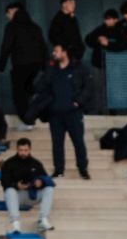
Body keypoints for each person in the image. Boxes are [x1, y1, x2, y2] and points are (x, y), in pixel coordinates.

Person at [29, 43, 92, 181]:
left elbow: (87, 87)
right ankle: (58, 170)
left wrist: (78, 102)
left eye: (56, 51)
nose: (54, 53)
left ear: (64, 52)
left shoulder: (78, 68)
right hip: (55, 113)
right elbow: (39, 87)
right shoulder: (52, 68)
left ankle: (83, 169)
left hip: (73, 112)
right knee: (57, 143)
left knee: (78, 141)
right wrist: (47, 70)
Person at [0, 2, 47, 126]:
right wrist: (44, 65)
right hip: (36, 65)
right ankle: (41, 111)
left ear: (14, 11)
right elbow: (43, 47)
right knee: (31, 88)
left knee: (19, 92)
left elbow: (6, 46)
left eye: (8, 13)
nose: (7, 16)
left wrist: (1, 65)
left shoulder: (12, 26)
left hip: (20, 64)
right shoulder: (35, 26)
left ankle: (27, 119)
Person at [0, 140, 52, 234]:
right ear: (17, 149)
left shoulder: (36, 163)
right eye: (21, 150)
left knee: (49, 189)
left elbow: (46, 179)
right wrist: (16, 185)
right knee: (10, 191)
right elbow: (4, 182)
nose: (23, 152)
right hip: (17, 196)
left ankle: (43, 219)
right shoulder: (9, 163)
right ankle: (15, 223)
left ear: (30, 149)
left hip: (33, 195)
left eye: (25, 150)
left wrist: (41, 183)